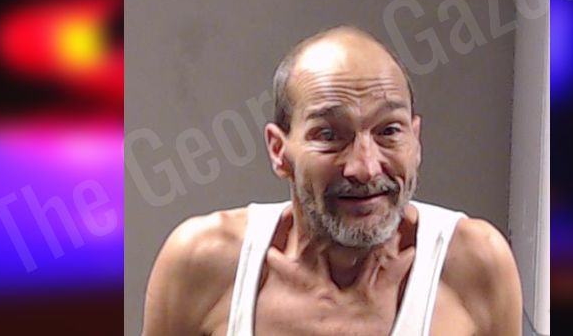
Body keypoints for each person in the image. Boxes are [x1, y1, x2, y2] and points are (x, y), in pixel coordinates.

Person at [142, 26, 522, 336]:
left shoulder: (475, 266)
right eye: (328, 135)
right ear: (279, 150)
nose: (365, 168)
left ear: (416, 140)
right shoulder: (201, 263)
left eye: (389, 131)